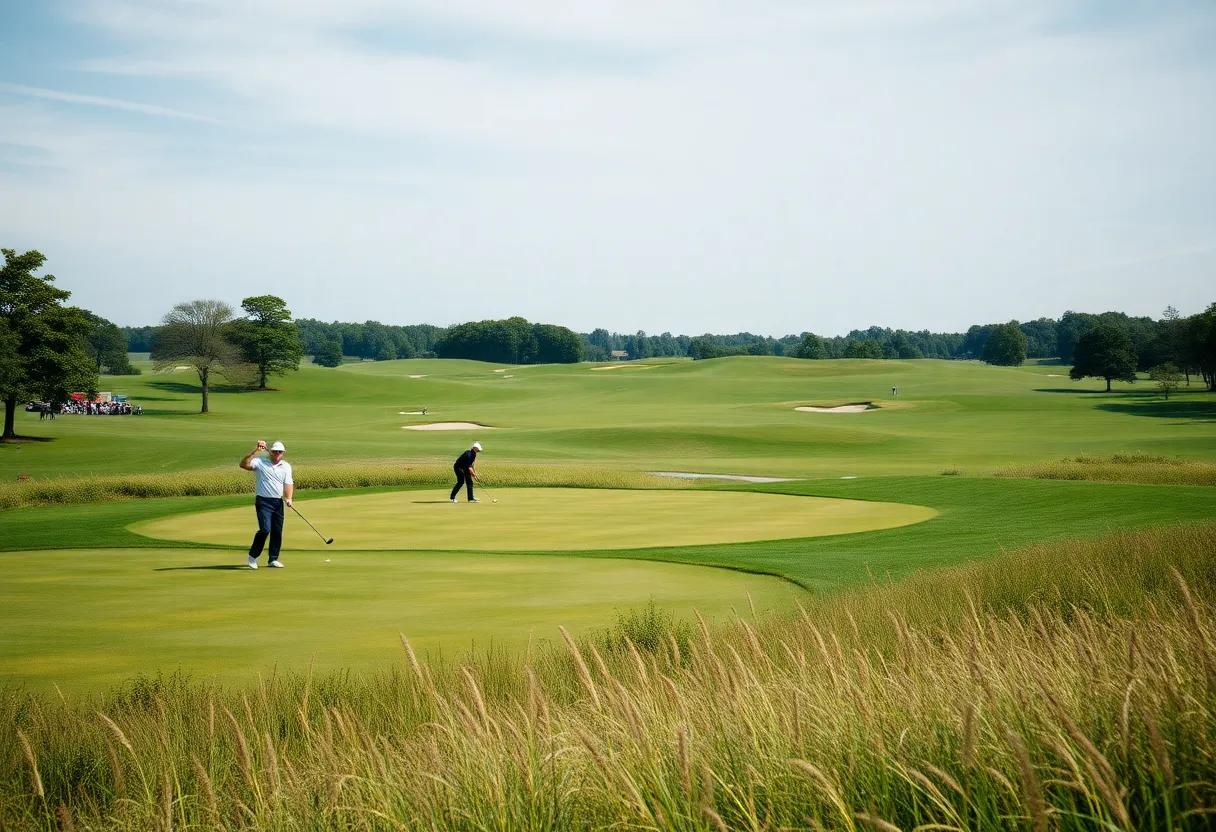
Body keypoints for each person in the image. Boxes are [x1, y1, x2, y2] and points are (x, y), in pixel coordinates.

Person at [239, 440, 294, 569]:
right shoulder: (260, 462)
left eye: (280, 452)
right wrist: (255, 451)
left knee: (277, 531)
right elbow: (243, 465)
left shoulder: (286, 466)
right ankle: (252, 556)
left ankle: (273, 559)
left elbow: (288, 483)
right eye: (275, 451)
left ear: (283, 453)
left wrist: (289, 498)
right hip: (263, 501)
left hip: (278, 502)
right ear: (271, 452)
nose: (277, 454)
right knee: (265, 529)